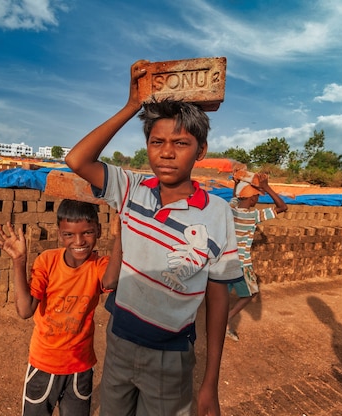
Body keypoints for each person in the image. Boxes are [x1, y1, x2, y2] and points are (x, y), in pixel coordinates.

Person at [65, 60, 242, 416]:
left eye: (181, 143)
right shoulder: (131, 189)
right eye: (156, 141)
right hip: (119, 341)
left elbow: (218, 297)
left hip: (170, 356)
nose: (166, 152)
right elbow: (77, 159)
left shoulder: (217, 213)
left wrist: (210, 383)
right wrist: (132, 106)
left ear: (201, 151)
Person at [0, 199, 121, 416]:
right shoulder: (47, 261)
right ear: (60, 234)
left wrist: (119, 238)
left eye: (87, 232)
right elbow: (25, 310)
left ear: (98, 231)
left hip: (80, 366)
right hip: (44, 364)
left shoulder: (100, 265)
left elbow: (110, 283)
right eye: (69, 234)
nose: (79, 241)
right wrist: (19, 260)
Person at [226, 172, 287, 342]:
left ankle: (216, 324)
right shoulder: (252, 216)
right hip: (242, 264)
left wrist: (237, 184)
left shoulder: (231, 209)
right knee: (251, 293)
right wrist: (267, 187)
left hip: (225, 262)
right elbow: (282, 207)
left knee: (221, 297)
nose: (258, 200)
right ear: (251, 198)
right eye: (257, 197)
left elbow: (236, 197)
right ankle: (226, 320)